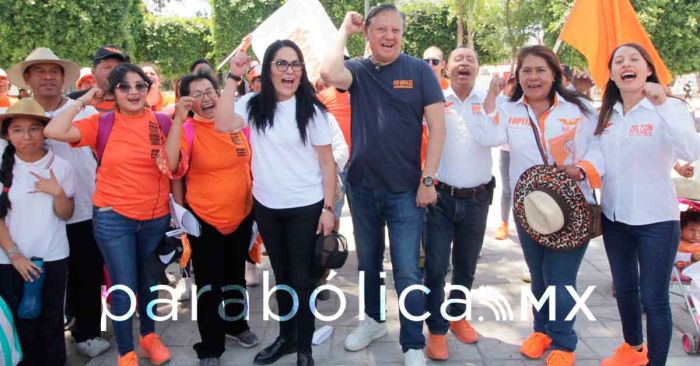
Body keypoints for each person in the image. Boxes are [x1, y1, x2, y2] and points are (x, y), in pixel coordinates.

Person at [320, 5, 446, 366]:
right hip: (361, 189)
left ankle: (412, 343)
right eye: (381, 30)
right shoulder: (358, 71)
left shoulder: (420, 71)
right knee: (369, 265)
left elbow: (438, 129)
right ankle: (373, 322)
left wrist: (428, 179)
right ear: (368, 34)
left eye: (396, 30)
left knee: (407, 269)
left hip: (406, 190)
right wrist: (344, 28)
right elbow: (327, 71)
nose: (389, 37)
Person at [44, 63, 188, 366]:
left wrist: (176, 123)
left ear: (148, 90)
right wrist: (82, 101)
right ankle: (126, 351)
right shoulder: (101, 123)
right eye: (125, 86)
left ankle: (148, 338)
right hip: (114, 219)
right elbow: (53, 130)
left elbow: (172, 166)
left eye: (141, 85)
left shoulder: (161, 122)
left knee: (149, 283)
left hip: (154, 217)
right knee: (124, 286)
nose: (134, 92)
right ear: (114, 92)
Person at [471, 45, 603, 366]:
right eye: (526, 71)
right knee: (539, 275)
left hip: (571, 209)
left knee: (560, 278)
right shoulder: (510, 108)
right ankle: (541, 330)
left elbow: (601, 145)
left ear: (554, 74)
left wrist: (583, 167)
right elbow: (486, 135)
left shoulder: (579, 108)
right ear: (518, 76)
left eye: (540, 70)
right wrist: (491, 96)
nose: (533, 77)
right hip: (529, 209)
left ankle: (564, 343)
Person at [216, 40, 336, 366]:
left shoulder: (312, 110)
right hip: (267, 207)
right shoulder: (253, 104)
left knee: (302, 279)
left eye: (295, 64)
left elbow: (328, 164)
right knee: (281, 277)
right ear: (269, 69)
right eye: (281, 64)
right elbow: (222, 123)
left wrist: (328, 209)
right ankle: (286, 338)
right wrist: (233, 77)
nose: (289, 70)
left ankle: (305, 349)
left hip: (306, 208)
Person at [595, 43, 700, 366]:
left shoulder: (668, 107)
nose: (625, 65)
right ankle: (632, 350)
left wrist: (663, 103)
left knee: (654, 300)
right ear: (612, 74)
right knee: (625, 291)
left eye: (633, 59)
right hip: (615, 218)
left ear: (648, 69)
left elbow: (690, 150)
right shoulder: (607, 114)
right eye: (618, 61)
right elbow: (599, 157)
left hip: (656, 221)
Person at [6, 47, 109, 357]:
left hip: (82, 208)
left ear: (64, 77)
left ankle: (87, 332)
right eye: (39, 71)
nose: (48, 77)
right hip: (31, 220)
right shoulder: (16, 118)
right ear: (27, 79)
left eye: (54, 71)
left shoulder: (87, 112)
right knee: (37, 282)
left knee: (86, 274)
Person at [172, 71, 259, 366]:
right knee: (208, 283)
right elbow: (172, 166)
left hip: (242, 214)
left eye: (210, 90)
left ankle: (236, 326)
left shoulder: (237, 124)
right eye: (196, 94)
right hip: (205, 219)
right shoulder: (187, 131)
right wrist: (177, 120)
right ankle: (210, 344)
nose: (206, 97)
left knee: (235, 275)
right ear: (187, 101)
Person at [423, 46, 494, 361]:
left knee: (466, 266)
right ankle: (436, 330)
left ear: (478, 68)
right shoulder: (434, 102)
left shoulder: (490, 102)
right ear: (446, 68)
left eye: (471, 59)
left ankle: (457, 317)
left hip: (477, 199)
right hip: (439, 198)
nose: (465, 63)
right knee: (436, 268)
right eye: (458, 59)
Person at [0, 98, 75, 366]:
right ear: (7, 134)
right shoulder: (2, 167)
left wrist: (57, 193)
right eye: (17, 129)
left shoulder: (62, 166)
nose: (26, 136)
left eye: (34, 128)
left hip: (52, 256)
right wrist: (15, 255)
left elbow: (66, 213)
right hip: (10, 261)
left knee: (51, 323)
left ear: (45, 130)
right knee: (20, 325)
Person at [68, 45, 130, 112]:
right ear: (93, 72)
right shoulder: (73, 100)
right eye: (108, 67)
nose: (115, 72)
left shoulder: (135, 99)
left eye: (120, 67)